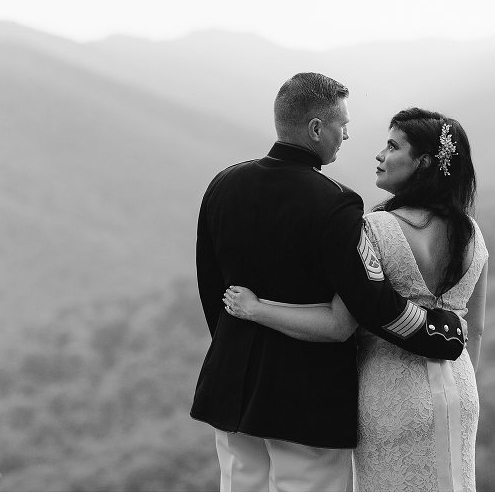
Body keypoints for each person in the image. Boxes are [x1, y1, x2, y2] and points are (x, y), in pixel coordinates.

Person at [191, 74, 466, 492]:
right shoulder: (335, 202)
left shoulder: (223, 184)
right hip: (305, 396)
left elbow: (213, 292)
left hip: (230, 389)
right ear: (317, 129)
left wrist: (237, 346)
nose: (347, 134)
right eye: (342, 124)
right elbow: (369, 304)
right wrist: (438, 332)